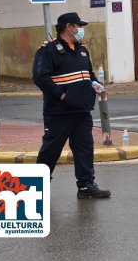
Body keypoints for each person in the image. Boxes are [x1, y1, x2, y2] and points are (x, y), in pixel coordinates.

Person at [33, 12, 111, 198]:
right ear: (69, 27)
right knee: (51, 150)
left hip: (82, 110)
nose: (80, 30)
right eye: (78, 26)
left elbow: (88, 74)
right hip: (59, 111)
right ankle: (36, 186)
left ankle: (85, 185)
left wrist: (94, 84)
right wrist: (60, 94)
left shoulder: (82, 49)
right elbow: (40, 77)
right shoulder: (48, 50)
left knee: (84, 147)